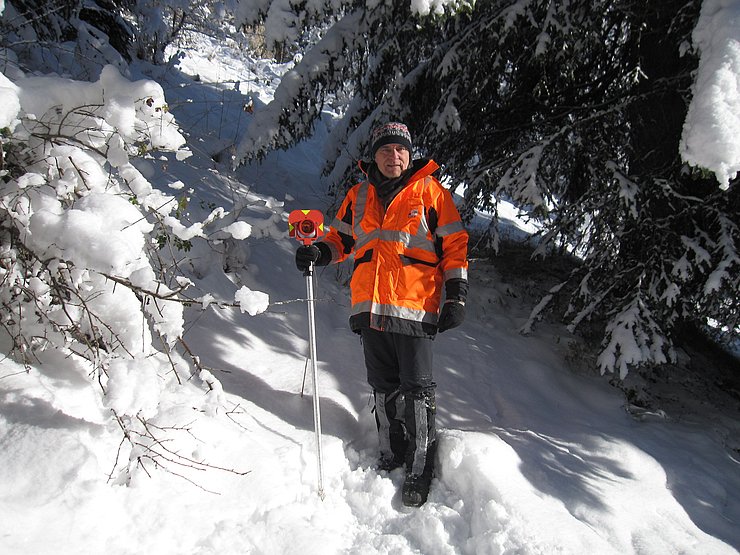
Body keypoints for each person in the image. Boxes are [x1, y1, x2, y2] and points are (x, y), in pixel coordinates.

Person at [295, 122, 469, 507]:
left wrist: (456, 295)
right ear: (374, 156)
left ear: (410, 154)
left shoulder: (431, 193)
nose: (394, 157)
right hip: (370, 308)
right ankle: (393, 453)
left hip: (415, 307)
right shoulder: (358, 195)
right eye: (386, 151)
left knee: (417, 390)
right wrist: (317, 253)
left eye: (401, 151)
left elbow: (454, 246)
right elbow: (339, 239)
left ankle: (420, 468)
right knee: (383, 386)